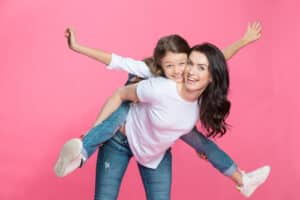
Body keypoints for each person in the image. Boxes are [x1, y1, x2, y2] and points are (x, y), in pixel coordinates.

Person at [54, 22, 270, 199]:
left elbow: (216, 60)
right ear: (161, 65)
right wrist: (78, 47)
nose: (181, 71)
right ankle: (82, 152)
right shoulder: (157, 82)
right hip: (123, 135)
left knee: (202, 142)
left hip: (157, 144)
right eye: (170, 66)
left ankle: (243, 180)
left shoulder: (196, 80)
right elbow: (117, 63)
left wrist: (243, 41)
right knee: (122, 110)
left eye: (187, 64)